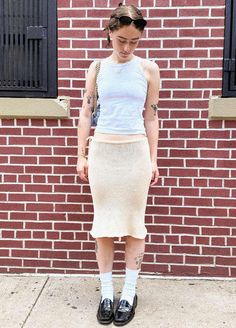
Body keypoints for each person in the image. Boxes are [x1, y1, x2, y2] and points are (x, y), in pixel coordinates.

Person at [77, 3, 160, 326]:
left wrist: (153, 160)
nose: (127, 48)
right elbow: (86, 112)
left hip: (135, 154)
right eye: (121, 40)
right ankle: (107, 292)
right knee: (105, 226)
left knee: (133, 223)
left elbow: (151, 117)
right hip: (103, 154)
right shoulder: (96, 68)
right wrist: (81, 154)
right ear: (109, 32)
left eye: (134, 42)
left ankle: (129, 292)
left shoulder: (149, 69)